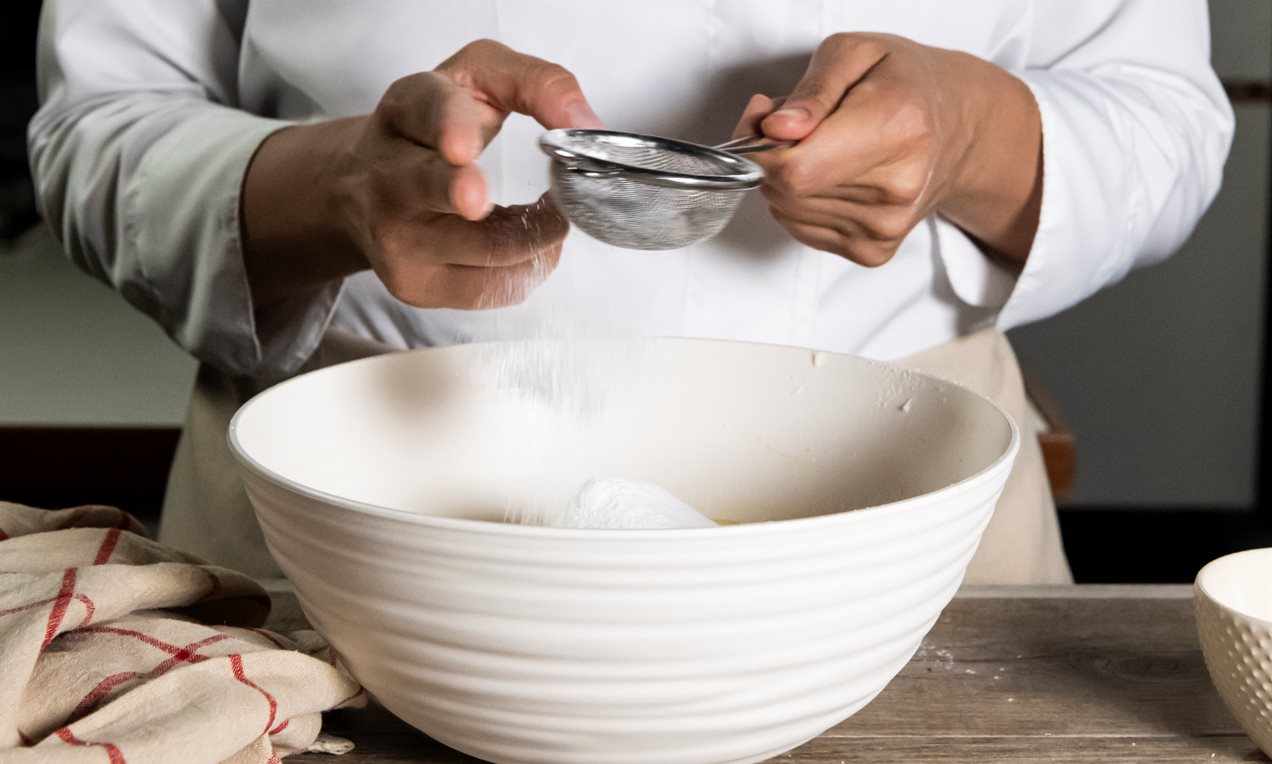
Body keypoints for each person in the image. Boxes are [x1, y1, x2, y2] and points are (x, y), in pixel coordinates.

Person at [29, 1, 1233, 581]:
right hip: (347, 507)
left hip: (895, 521)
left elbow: (1168, 117)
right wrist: (331, 187)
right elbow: (95, 125)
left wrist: (975, 137)